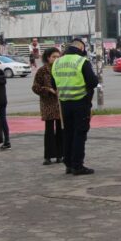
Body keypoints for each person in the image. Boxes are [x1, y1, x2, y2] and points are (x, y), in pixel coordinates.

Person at [51, 39, 98, 175]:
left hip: (64, 103)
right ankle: (78, 165)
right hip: (80, 102)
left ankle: (69, 164)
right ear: (81, 48)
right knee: (80, 134)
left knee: (68, 133)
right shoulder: (81, 61)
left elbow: (54, 84)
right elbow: (93, 82)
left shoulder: (57, 62)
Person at [32, 47, 64, 165]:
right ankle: (48, 156)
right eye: (53, 57)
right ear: (47, 58)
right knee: (49, 131)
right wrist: (47, 89)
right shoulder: (42, 70)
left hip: (61, 103)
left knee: (61, 130)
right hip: (48, 104)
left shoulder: (62, 69)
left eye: (58, 56)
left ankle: (60, 155)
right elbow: (35, 87)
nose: (56, 59)